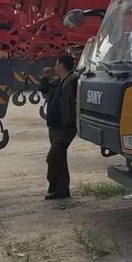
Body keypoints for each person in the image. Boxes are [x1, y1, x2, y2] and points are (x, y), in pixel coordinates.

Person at [38, 54, 80, 200]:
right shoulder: (59, 82)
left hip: (65, 127)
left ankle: (53, 184)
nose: (55, 67)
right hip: (54, 127)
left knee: (53, 158)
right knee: (60, 159)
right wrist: (44, 78)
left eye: (56, 63)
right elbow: (45, 92)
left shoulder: (72, 80)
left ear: (62, 65)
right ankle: (62, 191)